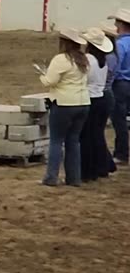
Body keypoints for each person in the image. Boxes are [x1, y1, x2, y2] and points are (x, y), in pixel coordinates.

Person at [40, 28, 92, 187]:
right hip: (83, 102)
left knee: (56, 141)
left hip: (64, 103)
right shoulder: (83, 59)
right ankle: (74, 177)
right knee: (73, 141)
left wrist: (42, 75)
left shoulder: (61, 59)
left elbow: (49, 81)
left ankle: (51, 177)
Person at [80, 27, 115, 183]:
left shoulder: (88, 60)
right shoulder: (103, 61)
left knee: (86, 136)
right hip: (101, 98)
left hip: (90, 99)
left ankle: (88, 171)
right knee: (97, 135)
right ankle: (101, 167)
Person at [110, 8, 130, 164]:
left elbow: (116, 67)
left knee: (120, 120)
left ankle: (122, 153)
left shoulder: (120, 44)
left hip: (121, 85)